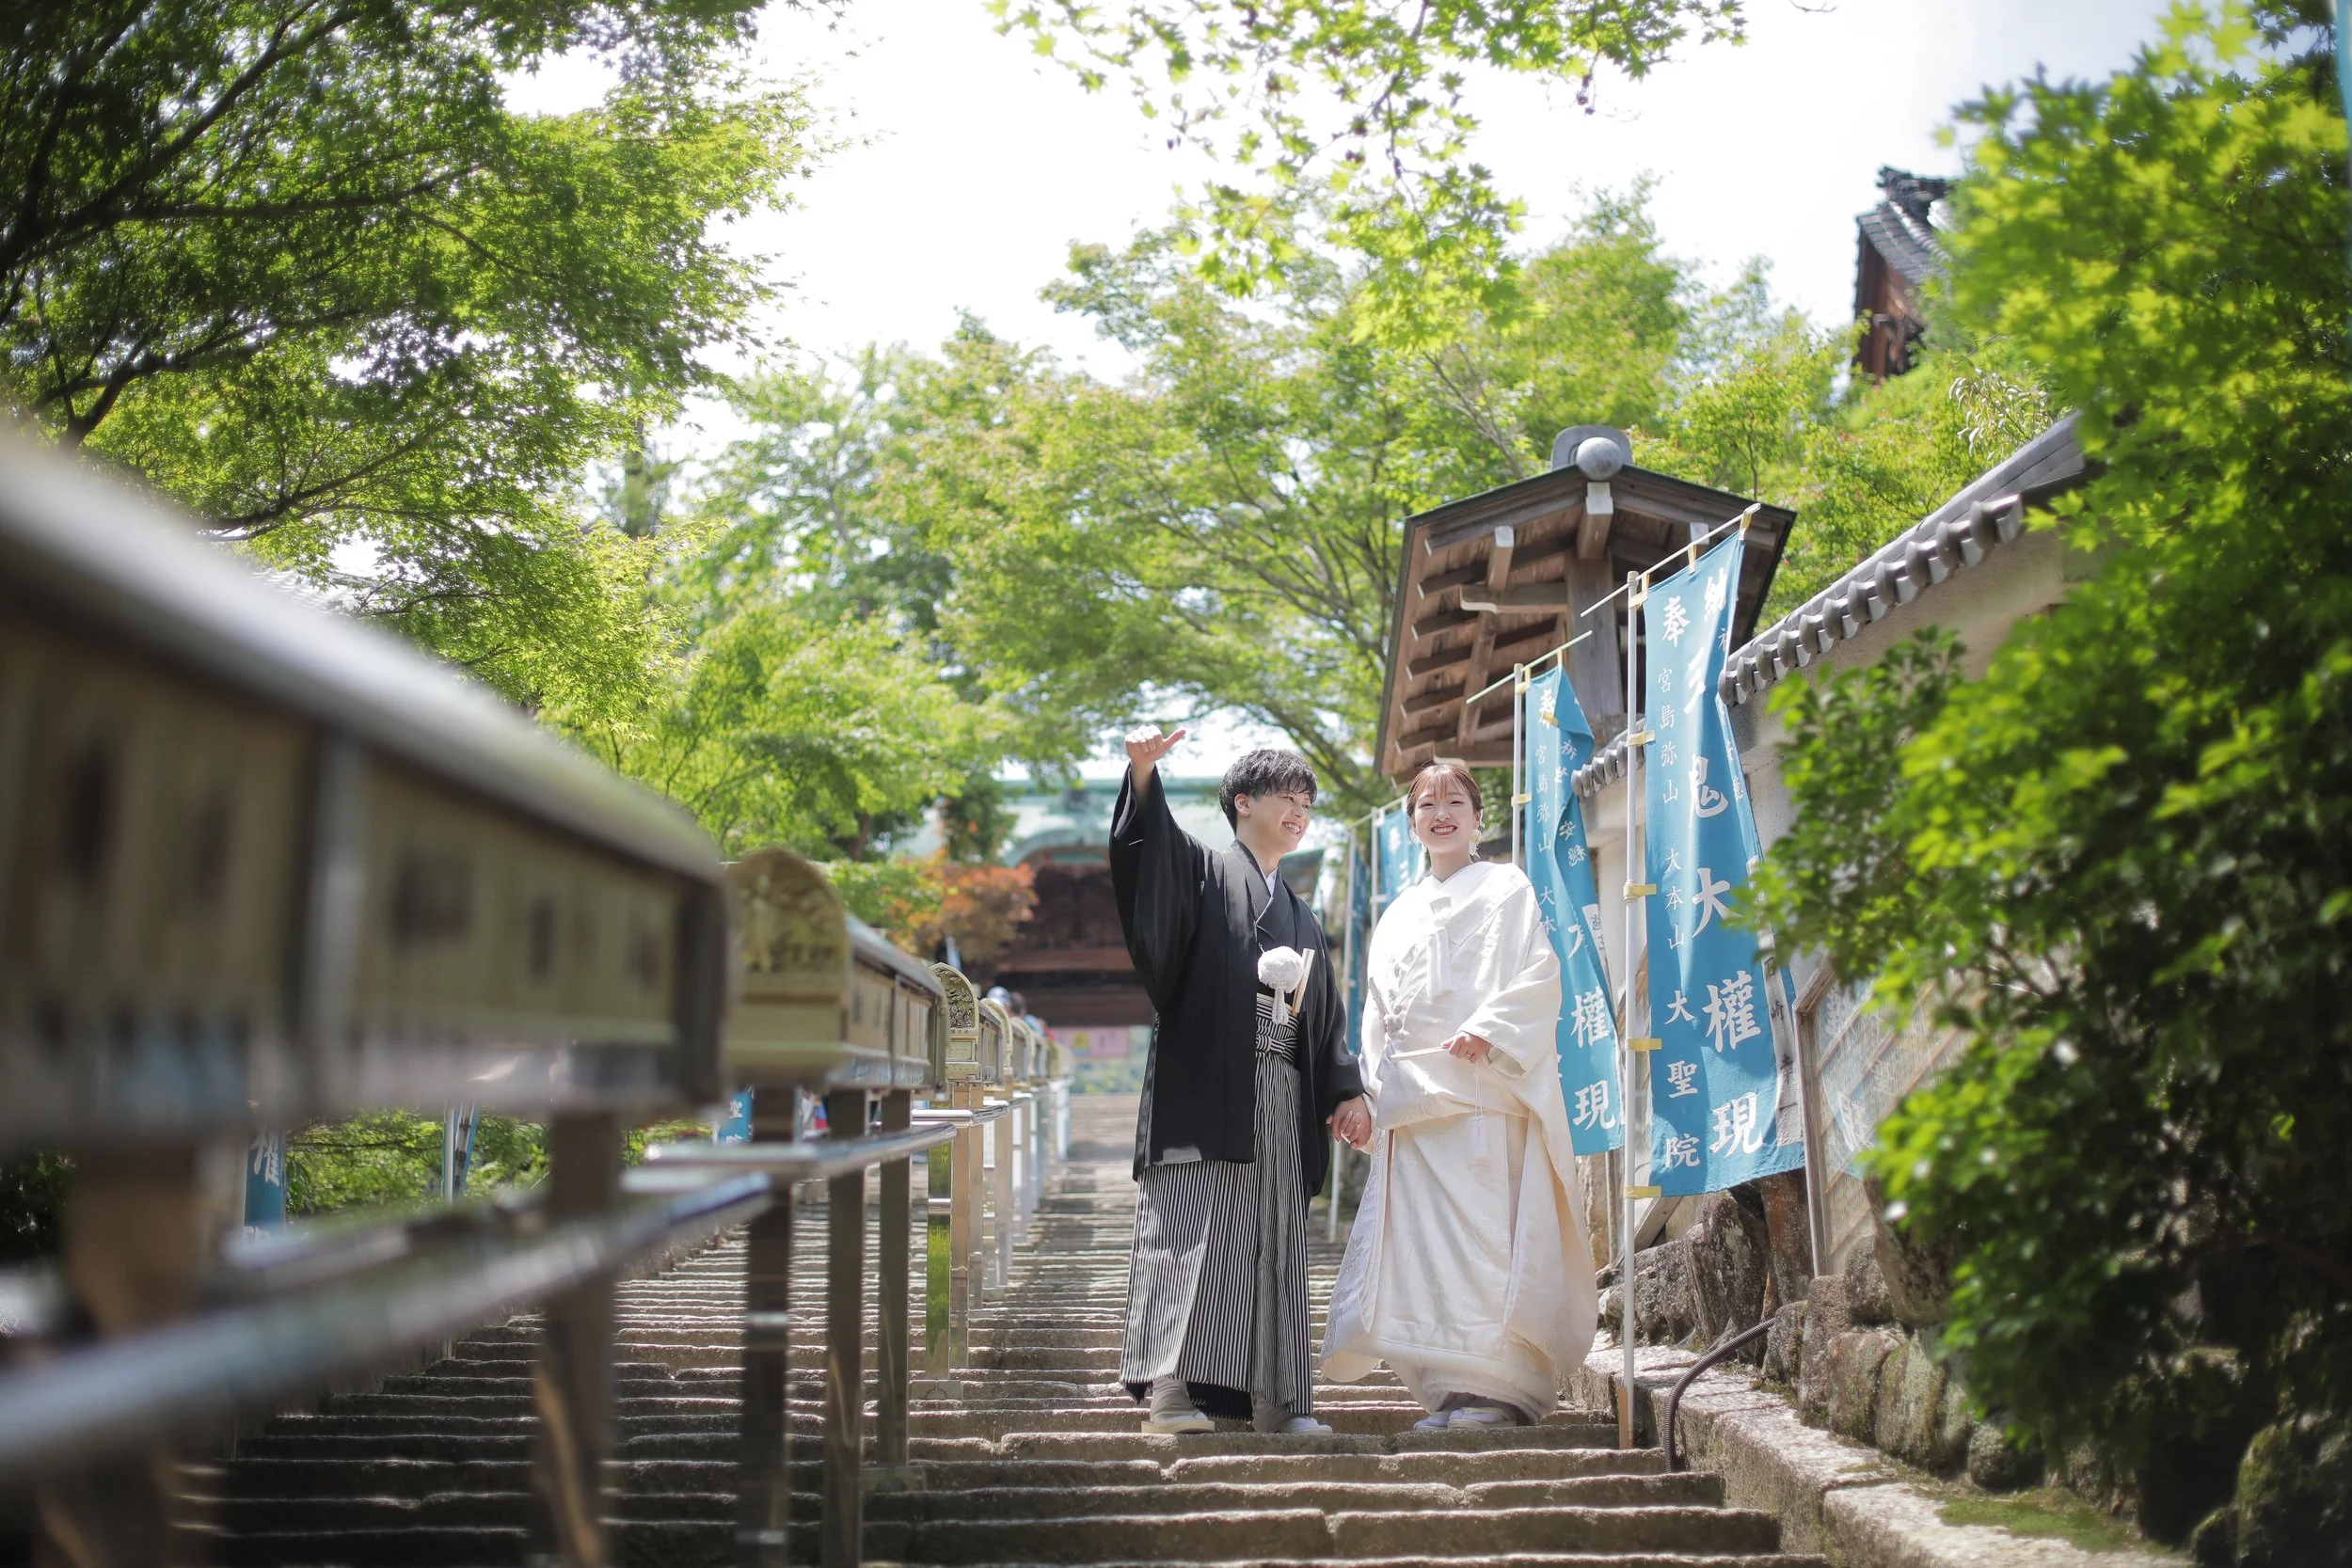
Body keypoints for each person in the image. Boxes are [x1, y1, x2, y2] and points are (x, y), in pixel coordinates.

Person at [1110, 726, 1374, 1434]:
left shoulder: (1305, 918)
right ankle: (1173, 1392)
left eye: (1308, 802)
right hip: (1206, 1088)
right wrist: (1141, 778)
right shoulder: (1199, 871)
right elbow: (1147, 859)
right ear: (1243, 801)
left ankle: (1278, 1400)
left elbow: (1326, 1023)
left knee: (1274, 1240)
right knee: (1196, 1227)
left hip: (1282, 1093)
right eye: (1288, 796)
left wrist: (1345, 1089)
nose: (1301, 810)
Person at [1322, 760, 1598, 1428]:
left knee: (1487, 1242)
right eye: (1426, 803)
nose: (1440, 812)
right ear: (1412, 821)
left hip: (1483, 1092)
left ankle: (1499, 1391)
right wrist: (1370, 1091)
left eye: (1455, 801)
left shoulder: (1507, 887)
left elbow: (1539, 973)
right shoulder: (1399, 911)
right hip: (1416, 1100)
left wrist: (1490, 1028)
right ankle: (1448, 1390)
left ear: (1478, 817)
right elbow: (1378, 1011)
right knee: (1426, 1251)